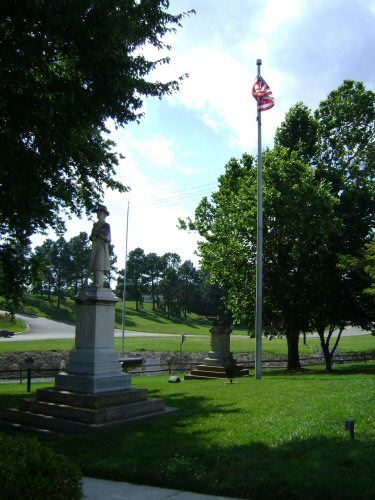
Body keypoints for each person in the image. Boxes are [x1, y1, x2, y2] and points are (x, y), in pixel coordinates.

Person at [89, 204, 111, 288]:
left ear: (104, 215)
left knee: (99, 263)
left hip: (102, 246)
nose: (98, 215)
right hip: (95, 245)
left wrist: (99, 235)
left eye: (100, 213)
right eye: (97, 213)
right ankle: (95, 282)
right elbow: (91, 236)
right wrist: (92, 236)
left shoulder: (106, 225)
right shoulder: (95, 225)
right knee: (94, 263)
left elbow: (107, 237)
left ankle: (99, 282)